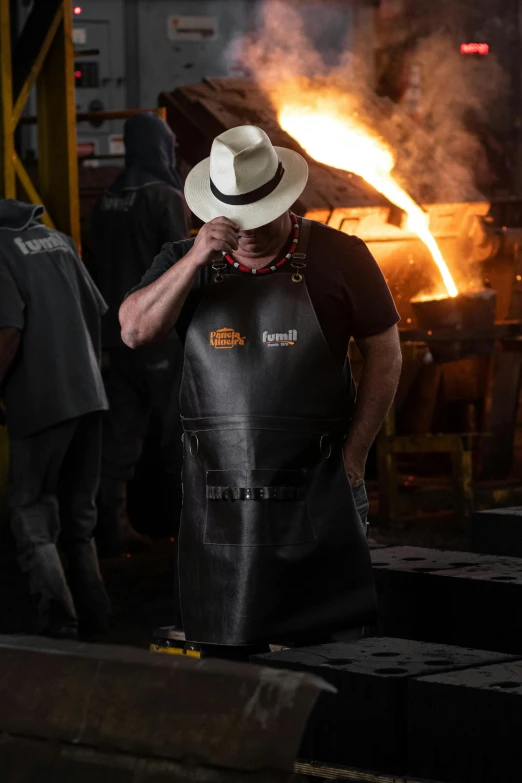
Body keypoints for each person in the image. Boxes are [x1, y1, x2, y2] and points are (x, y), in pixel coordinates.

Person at [120, 125, 402, 657]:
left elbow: (386, 352)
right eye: (234, 217)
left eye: (258, 214)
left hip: (321, 484)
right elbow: (134, 331)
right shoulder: (186, 261)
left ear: (285, 199)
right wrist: (194, 260)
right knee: (228, 646)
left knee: (331, 651)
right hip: (220, 498)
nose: (246, 232)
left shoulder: (342, 257)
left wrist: (357, 454)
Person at [0, 199, 111, 640]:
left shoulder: (0, 250)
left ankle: (59, 622)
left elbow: (8, 331)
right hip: (91, 395)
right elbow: (95, 312)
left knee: (31, 512)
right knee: (79, 517)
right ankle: (98, 617)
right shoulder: (60, 242)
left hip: (42, 400)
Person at [91, 112, 189, 556]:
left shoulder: (108, 198)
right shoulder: (165, 197)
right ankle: (178, 526)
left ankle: (113, 525)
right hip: (158, 337)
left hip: (113, 334)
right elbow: (181, 265)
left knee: (120, 432)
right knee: (175, 430)